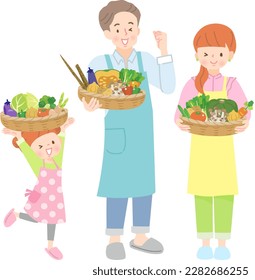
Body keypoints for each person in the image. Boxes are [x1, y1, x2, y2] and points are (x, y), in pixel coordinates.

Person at [82, 0, 175, 260]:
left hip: (143, 130)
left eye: (130, 26)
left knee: (144, 182)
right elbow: (91, 94)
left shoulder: (145, 60)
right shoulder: (99, 62)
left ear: (138, 30)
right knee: (117, 183)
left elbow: (167, 87)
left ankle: (141, 235)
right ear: (107, 33)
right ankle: (114, 238)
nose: (125, 32)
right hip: (117, 129)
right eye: (118, 27)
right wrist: (89, 105)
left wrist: (164, 50)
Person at [174, 24, 250, 260]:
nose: (213, 59)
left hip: (224, 148)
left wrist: (244, 121)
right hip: (201, 147)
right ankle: (205, 242)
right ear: (197, 54)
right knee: (203, 195)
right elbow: (178, 115)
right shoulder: (192, 84)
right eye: (206, 53)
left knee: (225, 194)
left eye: (219, 53)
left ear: (230, 55)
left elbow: (244, 111)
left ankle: (223, 242)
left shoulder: (232, 84)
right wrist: (182, 122)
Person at [2, 118, 74, 260]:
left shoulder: (57, 160)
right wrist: (19, 138)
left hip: (56, 198)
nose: (49, 146)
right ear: (36, 150)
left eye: (52, 142)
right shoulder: (38, 164)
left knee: (52, 221)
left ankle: (50, 246)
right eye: (41, 146)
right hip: (42, 197)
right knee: (37, 219)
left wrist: (63, 130)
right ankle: (16, 215)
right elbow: (29, 154)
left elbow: (62, 145)